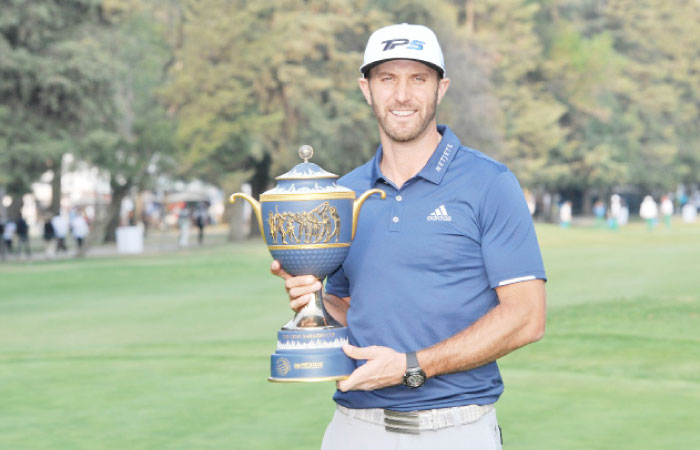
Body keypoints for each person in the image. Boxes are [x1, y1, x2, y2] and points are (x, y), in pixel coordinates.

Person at [270, 24, 546, 449]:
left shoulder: (489, 183)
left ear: (442, 87)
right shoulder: (343, 195)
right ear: (366, 89)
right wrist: (312, 297)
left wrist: (411, 367)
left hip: (458, 429)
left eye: (418, 78)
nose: (402, 95)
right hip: (354, 427)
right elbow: (349, 307)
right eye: (387, 79)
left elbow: (527, 318)